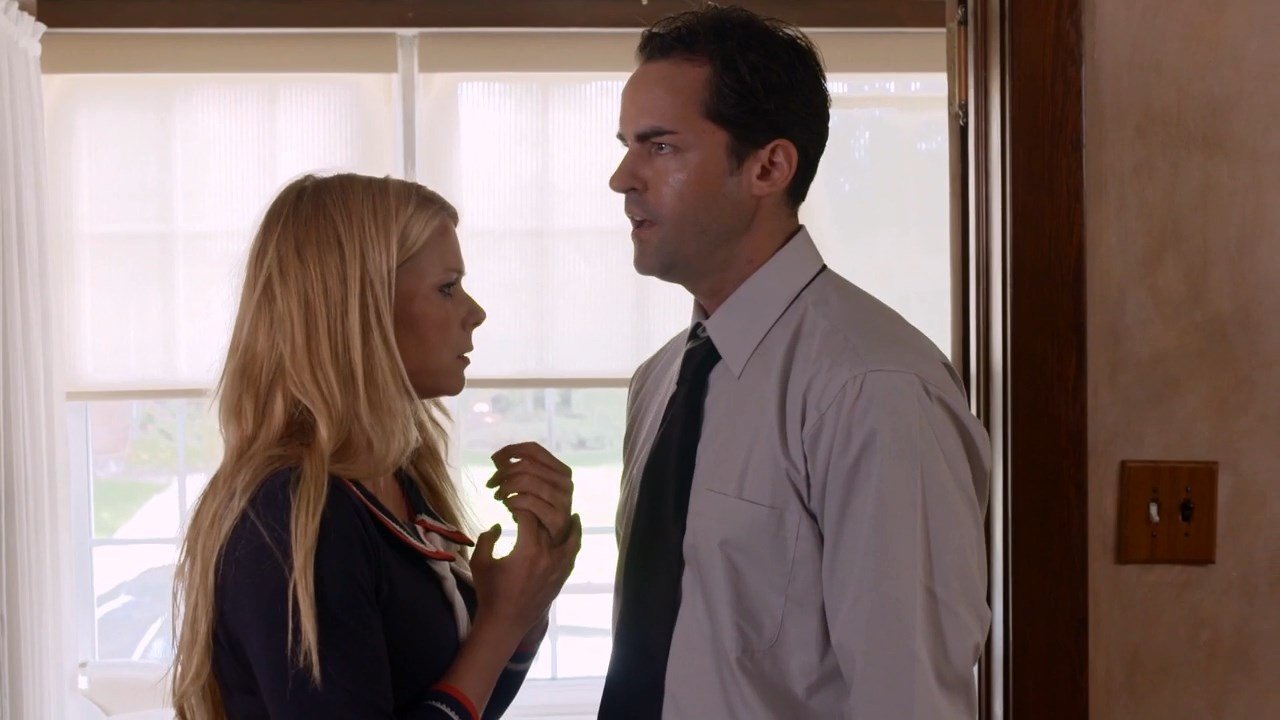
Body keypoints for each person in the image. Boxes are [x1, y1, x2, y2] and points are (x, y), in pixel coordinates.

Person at [600, 6, 991, 719]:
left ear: (769, 167)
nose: (622, 178)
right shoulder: (659, 382)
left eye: (659, 147)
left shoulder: (874, 387)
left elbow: (908, 698)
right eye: (628, 146)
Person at [171, 173, 581, 720]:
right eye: (447, 287)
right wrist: (501, 623)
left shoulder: (397, 482)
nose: (475, 312)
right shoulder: (295, 514)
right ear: (360, 310)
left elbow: (463, 703)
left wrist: (524, 609)